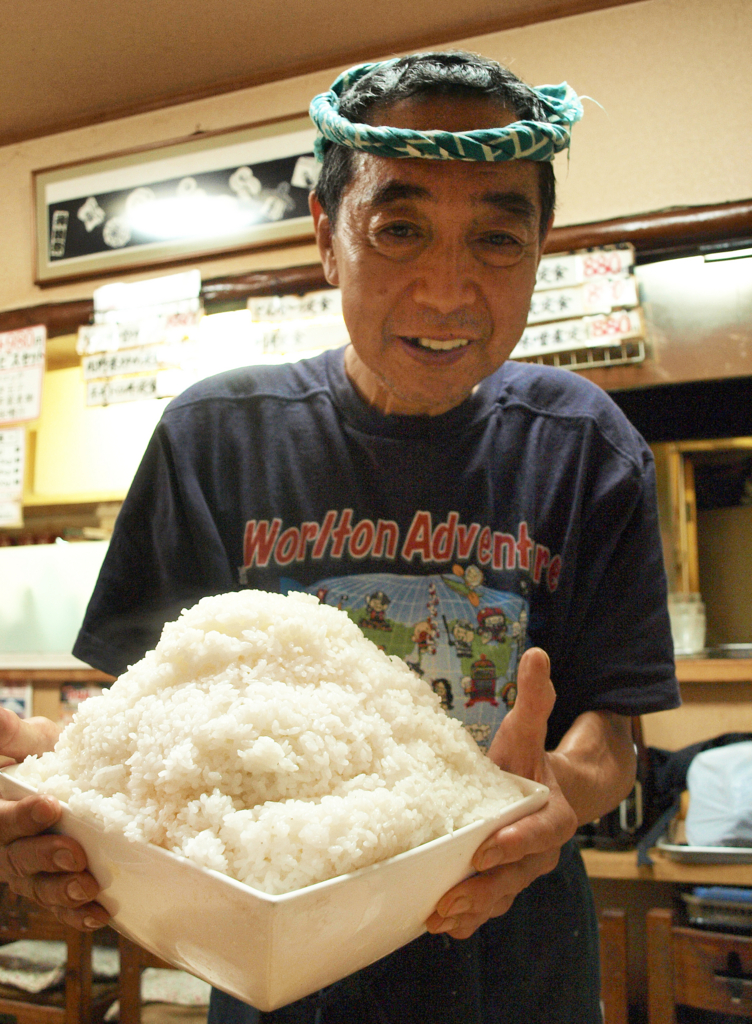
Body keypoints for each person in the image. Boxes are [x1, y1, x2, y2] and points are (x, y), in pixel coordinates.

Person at [0, 52, 679, 1023]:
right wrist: (58, 780)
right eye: (398, 229)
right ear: (326, 235)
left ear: (540, 249)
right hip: (281, 984)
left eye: (495, 237)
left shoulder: (584, 447)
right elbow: (148, 723)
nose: (447, 290)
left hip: (513, 969)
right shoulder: (215, 439)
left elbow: (612, 729)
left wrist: (561, 792)